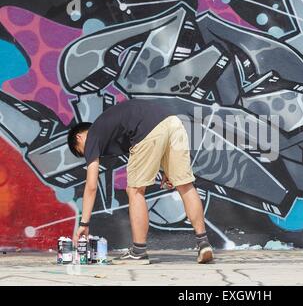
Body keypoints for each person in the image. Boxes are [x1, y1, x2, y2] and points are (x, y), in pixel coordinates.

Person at [67, 99, 213, 263]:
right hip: (173, 123)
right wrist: (166, 168)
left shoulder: (92, 134)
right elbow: (155, 136)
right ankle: (203, 243)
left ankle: (138, 251)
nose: (88, 153)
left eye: (82, 151)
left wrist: (84, 223)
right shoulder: (111, 128)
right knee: (185, 185)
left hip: (149, 131)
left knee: (135, 190)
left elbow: (92, 186)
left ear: (79, 137)